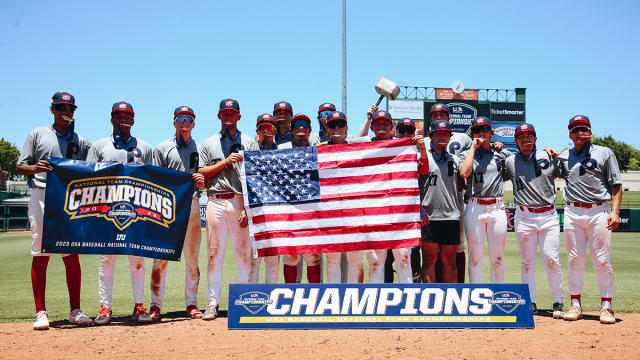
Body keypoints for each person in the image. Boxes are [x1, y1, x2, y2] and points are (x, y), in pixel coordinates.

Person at [16, 91, 92, 330]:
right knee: (40, 253)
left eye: (70, 109)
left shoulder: (79, 140)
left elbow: (86, 171)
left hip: (69, 198)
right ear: (52, 109)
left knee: (71, 254)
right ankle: (40, 312)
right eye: (61, 108)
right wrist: (34, 167)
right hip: (41, 193)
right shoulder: (38, 133)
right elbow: (19, 166)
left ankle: (75, 310)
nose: (65, 112)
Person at [87, 101, 154, 324]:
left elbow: (153, 179)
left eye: (127, 116)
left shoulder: (143, 146)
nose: (123, 119)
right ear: (111, 119)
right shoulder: (99, 146)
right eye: (118, 115)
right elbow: (86, 178)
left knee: (137, 258)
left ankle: (138, 305)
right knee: (107, 259)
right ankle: (105, 307)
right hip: (106, 210)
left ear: (133, 121)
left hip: (137, 209)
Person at [198, 99, 259, 320]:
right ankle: (212, 303)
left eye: (232, 114)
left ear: (239, 117)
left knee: (243, 254)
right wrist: (225, 161)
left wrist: (247, 206)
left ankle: (242, 301)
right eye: (225, 113)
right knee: (215, 254)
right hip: (214, 200)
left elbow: (255, 178)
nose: (228, 117)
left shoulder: (250, 142)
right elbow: (202, 172)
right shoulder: (209, 143)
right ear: (218, 116)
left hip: (239, 201)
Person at [558, 115, 621, 324]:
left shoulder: (604, 152)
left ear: (590, 131)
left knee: (602, 260)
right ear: (570, 134)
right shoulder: (565, 156)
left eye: (583, 129)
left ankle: (606, 306)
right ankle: (575, 304)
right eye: (575, 129)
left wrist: (615, 211)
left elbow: (616, 184)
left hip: (598, 211)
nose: (579, 133)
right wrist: (552, 154)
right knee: (575, 261)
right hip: (572, 212)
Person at [355, 110, 424, 283]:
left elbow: (423, 170)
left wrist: (421, 147)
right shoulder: (365, 144)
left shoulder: (405, 146)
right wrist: (367, 117)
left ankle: (407, 302)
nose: (381, 126)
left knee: (403, 258)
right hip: (374, 212)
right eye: (377, 123)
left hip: (400, 210)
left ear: (391, 127)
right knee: (375, 261)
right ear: (371, 127)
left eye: (385, 123)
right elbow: (349, 143)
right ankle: (376, 303)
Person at [149, 106, 205, 320]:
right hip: (166, 207)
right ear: (174, 122)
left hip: (191, 203)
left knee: (192, 258)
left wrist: (202, 181)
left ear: (193, 123)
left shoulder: (200, 149)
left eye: (189, 119)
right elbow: (154, 178)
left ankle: (191, 303)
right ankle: (156, 305)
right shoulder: (162, 147)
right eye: (180, 118)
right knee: (160, 257)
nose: (185, 122)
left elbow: (205, 180)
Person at [504, 124, 565, 317]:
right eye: (521, 136)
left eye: (529, 135)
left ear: (536, 138)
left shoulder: (549, 157)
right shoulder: (509, 161)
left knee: (551, 260)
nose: (525, 139)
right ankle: (529, 302)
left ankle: (558, 302)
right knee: (527, 262)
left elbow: (566, 172)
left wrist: (555, 152)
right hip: (524, 216)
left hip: (548, 215)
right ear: (515, 140)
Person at [458, 117, 512, 284]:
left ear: (491, 132)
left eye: (484, 129)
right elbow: (464, 173)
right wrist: (473, 148)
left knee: (498, 258)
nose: (481, 133)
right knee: (475, 257)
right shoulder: (467, 154)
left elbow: (522, 161)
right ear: (472, 133)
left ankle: (498, 294)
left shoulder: (501, 153)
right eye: (477, 130)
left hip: (497, 208)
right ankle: (477, 296)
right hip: (475, 207)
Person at [314, 111, 364, 283]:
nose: (337, 128)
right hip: (330, 212)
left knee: (356, 259)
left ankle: (355, 302)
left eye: (340, 125)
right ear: (326, 129)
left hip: (354, 212)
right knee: (332, 259)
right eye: (333, 125)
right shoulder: (318, 151)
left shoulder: (358, 150)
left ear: (346, 127)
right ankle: (334, 300)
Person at [280, 114, 323, 283]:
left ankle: (315, 298)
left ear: (310, 130)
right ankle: (290, 298)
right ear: (290, 130)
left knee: (313, 255)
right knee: (290, 256)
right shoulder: (280, 150)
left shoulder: (319, 150)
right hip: (288, 209)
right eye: (296, 125)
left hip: (312, 209)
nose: (301, 128)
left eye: (305, 125)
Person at [420, 120, 462, 283]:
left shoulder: (455, 159)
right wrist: (420, 209)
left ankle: (450, 303)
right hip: (429, 217)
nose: (442, 137)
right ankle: (430, 300)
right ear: (430, 137)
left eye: (445, 134)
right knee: (429, 261)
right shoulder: (423, 157)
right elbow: (413, 187)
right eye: (438, 134)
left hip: (451, 216)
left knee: (450, 263)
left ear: (450, 137)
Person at [386, 118, 423, 283]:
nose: (406, 134)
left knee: (412, 259)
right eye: (403, 130)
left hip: (411, 213)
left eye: (410, 131)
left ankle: (411, 299)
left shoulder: (421, 151)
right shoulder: (385, 149)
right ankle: (386, 298)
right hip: (388, 212)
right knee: (386, 260)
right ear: (396, 131)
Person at [249, 114, 281, 283]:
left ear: (275, 130)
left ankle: (271, 298)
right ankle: (252, 297)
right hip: (254, 210)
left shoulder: (283, 152)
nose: (266, 131)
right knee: (254, 259)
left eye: (270, 127)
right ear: (257, 130)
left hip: (275, 210)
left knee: (272, 259)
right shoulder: (248, 151)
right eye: (262, 127)